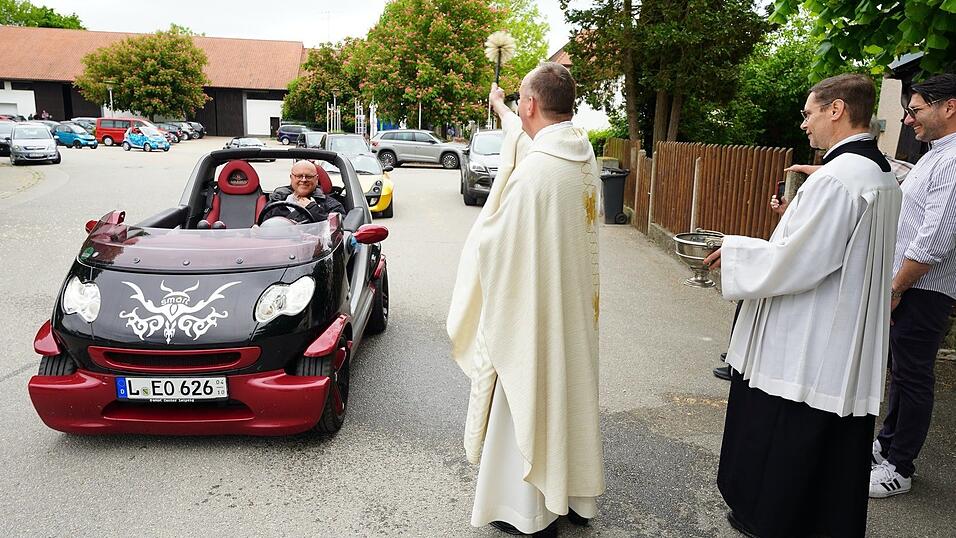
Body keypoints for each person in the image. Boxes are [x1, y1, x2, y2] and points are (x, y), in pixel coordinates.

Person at [703, 73, 902, 537]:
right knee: (827, 440)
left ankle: (771, 518)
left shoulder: (839, 178)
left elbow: (800, 261)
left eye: (809, 113)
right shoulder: (877, 172)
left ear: (837, 110)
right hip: (845, 325)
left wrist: (733, 251)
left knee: (787, 429)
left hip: (813, 332)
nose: (804, 125)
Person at [447, 63, 605, 537]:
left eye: (519, 99)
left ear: (532, 104)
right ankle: (575, 497)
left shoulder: (536, 172)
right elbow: (524, 135)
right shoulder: (581, 153)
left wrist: (480, 236)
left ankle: (529, 513)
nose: (518, 106)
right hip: (574, 312)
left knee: (529, 397)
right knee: (571, 395)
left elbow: (495, 246)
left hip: (534, 317)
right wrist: (500, 108)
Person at [870, 73, 956, 499]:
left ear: (949, 107)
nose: (907, 120)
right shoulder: (934, 155)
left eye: (916, 110)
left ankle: (900, 467)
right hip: (912, 285)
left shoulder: (953, 159)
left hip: (924, 289)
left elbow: (935, 238)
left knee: (913, 375)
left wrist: (896, 288)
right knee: (900, 372)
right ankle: (887, 446)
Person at [265, 160, 345, 223]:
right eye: (299, 176)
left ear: (316, 179)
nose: (303, 180)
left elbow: (338, 232)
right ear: (291, 178)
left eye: (309, 177)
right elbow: (261, 229)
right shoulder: (275, 202)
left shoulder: (332, 205)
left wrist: (313, 209)